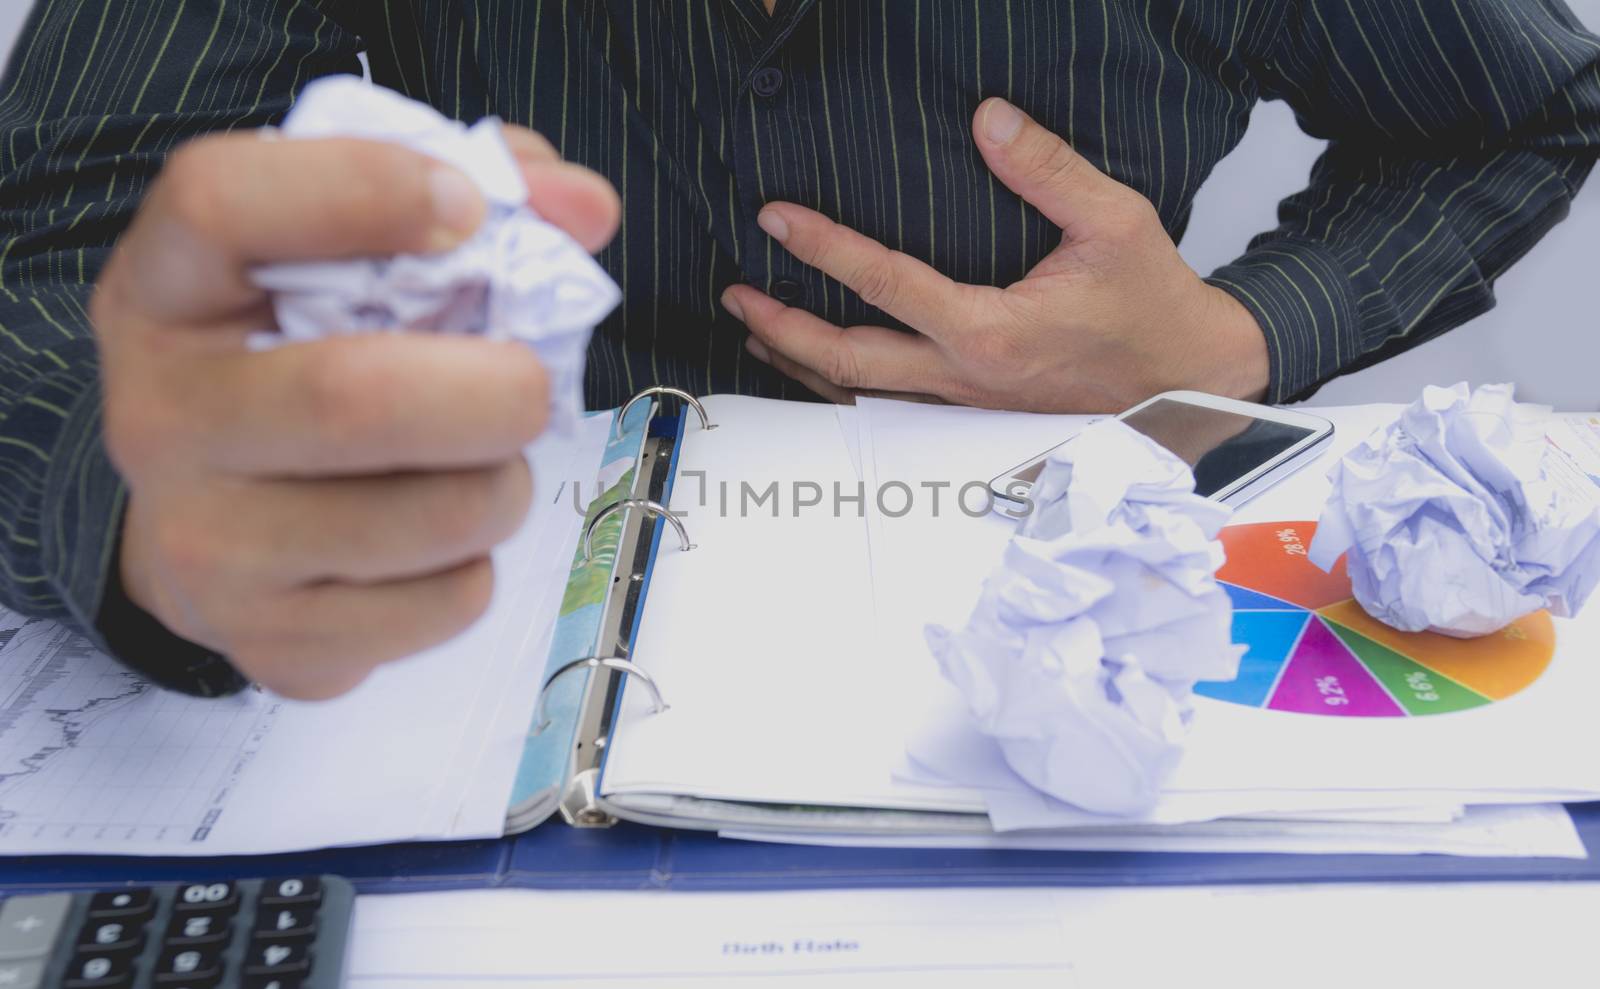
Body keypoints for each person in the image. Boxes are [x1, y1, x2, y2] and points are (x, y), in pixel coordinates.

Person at [0, 1, 1596, 699]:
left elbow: (1531, 106)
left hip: (1071, 662)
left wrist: (1245, 330)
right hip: (477, 698)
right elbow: (55, 232)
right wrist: (139, 502)